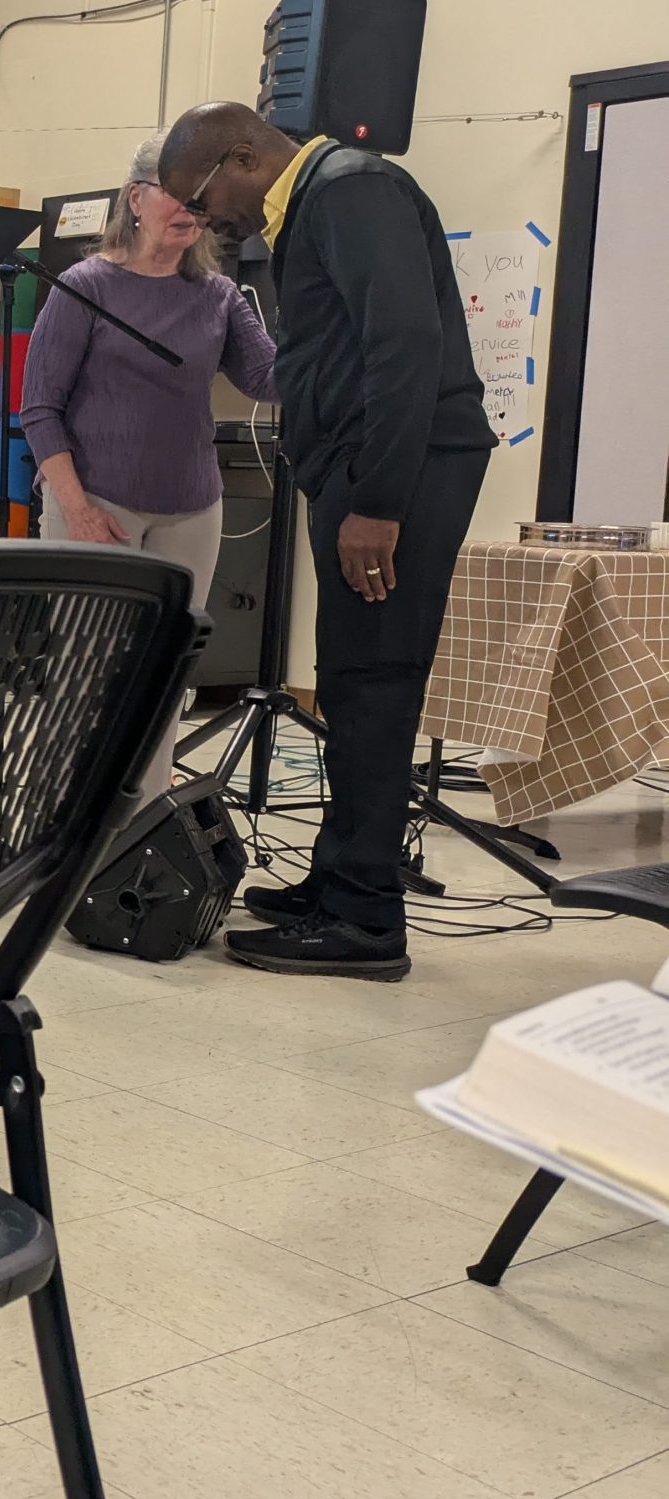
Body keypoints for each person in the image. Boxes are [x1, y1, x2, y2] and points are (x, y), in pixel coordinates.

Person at [158, 101, 496, 982]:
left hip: (395, 475)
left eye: (200, 197)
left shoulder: (350, 189)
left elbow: (404, 344)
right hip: (363, 465)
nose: (205, 219)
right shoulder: (318, 202)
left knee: (374, 685)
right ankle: (339, 879)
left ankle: (364, 920)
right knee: (349, 684)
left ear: (242, 155)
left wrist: (377, 502)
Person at [19, 131, 276, 798]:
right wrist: (76, 509)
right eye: (178, 192)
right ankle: (72, 824)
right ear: (135, 199)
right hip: (94, 504)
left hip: (192, 509)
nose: (191, 207)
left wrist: (329, 318)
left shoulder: (218, 295)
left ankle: (145, 825)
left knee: (165, 674)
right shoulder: (84, 286)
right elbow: (39, 409)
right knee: (86, 676)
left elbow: (269, 380)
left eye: (202, 196)